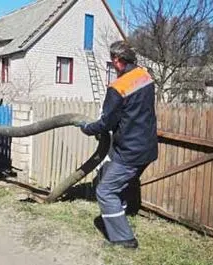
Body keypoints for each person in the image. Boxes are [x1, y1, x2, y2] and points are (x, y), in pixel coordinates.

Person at [76, 41, 158, 249]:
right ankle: (116, 220)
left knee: (105, 191)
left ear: (117, 60)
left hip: (129, 151)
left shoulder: (118, 87)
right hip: (147, 147)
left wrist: (87, 128)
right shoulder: (145, 76)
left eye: (113, 61)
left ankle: (124, 240)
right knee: (116, 186)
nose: (112, 65)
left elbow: (106, 122)